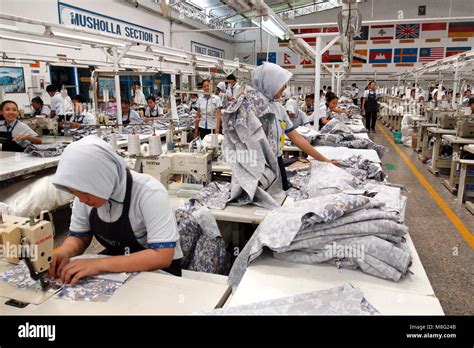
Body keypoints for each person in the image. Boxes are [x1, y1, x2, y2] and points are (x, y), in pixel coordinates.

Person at [49, 136, 183, 284]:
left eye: (86, 193)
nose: (82, 200)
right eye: (75, 193)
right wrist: (63, 252)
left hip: (158, 273)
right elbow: (80, 237)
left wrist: (98, 265)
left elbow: (162, 256)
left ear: (104, 178)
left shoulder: (149, 193)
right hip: (116, 266)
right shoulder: (84, 193)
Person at [251, 63, 339, 190]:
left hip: (277, 160)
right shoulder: (250, 108)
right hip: (256, 165)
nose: (284, 88)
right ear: (270, 82)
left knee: (280, 196)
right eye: (282, 84)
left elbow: (297, 138)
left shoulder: (279, 108)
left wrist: (325, 160)